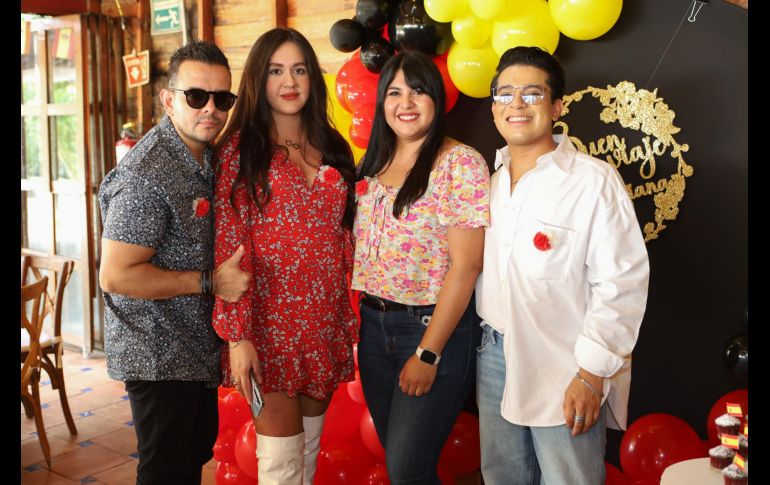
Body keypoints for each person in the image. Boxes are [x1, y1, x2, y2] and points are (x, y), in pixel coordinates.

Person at [475, 46, 650, 484]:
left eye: (532, 94)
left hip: (565, 363)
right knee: (502, 476)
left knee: (568, 478)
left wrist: (591, 375)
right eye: (505, 93)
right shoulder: (488, 184)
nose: (516, 104)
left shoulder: (592, 181)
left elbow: (621, 283)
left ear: (556, 107)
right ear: (494, 105)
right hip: (492, 355)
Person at [98, 40, 250, 484]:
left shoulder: (202, 155)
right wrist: (210, 282)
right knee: (166, 470)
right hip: (156, 352)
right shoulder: (147, 174)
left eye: (222, 98)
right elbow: (116, 273)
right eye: (196, 96)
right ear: (168, 100)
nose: (211, 109)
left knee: (192, 455)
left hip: (191, 346)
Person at [212, 28, 358, 485]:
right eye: (276, 70)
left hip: (323, 326)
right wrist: (238, 338)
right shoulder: (239, 153)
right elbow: (227, 251)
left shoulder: (334, 148)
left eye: (298, 69)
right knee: (280, 466)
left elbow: (346, 238)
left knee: (307, 459)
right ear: (259, 78)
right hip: (267, 329)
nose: (289, 81)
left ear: (313, 78)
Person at [352, 51, 490, 484]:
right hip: (374, 328)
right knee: (399, 461)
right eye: (394, 92)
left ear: (436, 98)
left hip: (431, 330)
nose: (405, 102)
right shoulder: (373, 163)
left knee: (407, 469)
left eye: (417, 90)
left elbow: (466, 267)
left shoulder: (459, 163)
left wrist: (427, 353)